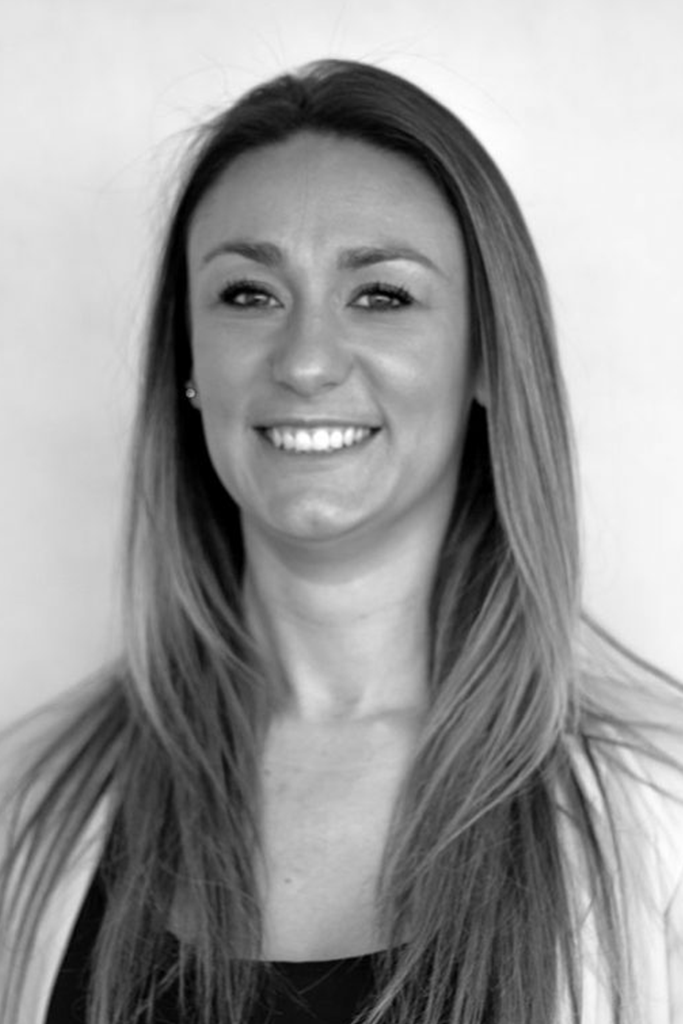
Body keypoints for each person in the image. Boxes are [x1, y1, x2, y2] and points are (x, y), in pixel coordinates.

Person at [1, 57, 682, 1024]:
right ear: (186, 365)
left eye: (382, 296)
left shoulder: (663, 832)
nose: (308, 360)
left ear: (485, 355)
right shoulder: (25, 812)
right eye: (247, 294)